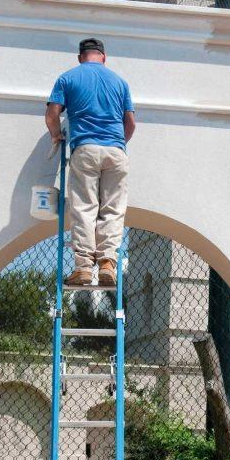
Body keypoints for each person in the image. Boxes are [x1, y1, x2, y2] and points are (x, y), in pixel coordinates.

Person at [45, 38, 137, 286]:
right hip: (115, 151)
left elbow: (53, 113)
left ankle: (84, 267)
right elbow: (131, 123)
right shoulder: (120, 82)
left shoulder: (68, 78)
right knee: (113, 209)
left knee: (84, 208)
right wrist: (118, 143)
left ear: (80, 57)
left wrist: (56, 134)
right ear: (103, 57)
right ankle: (107, 262)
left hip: (84, 149)